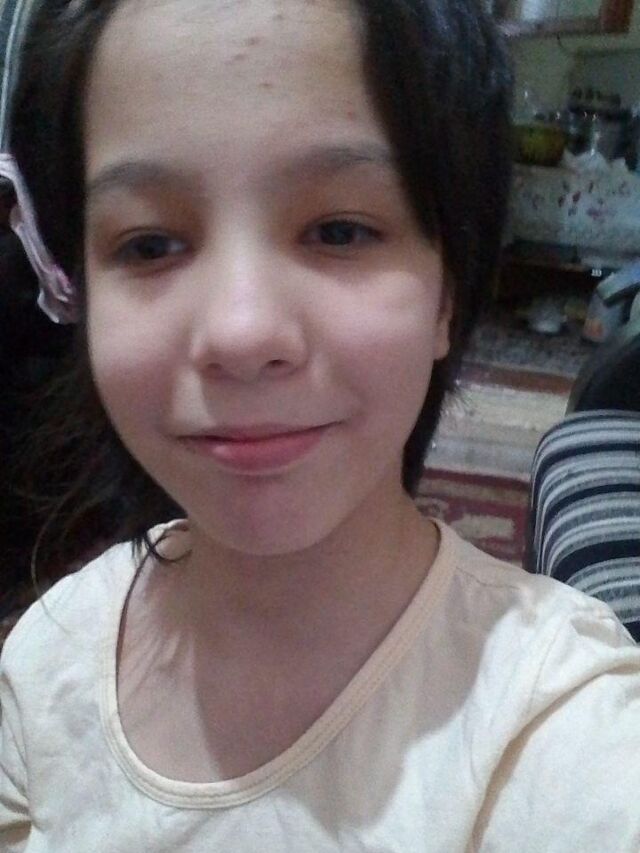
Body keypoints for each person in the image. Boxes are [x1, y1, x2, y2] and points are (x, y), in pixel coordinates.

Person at [0, 0, 639, 850]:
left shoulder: (562, 734)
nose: (241, 332)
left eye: (339, 230)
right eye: (149, 245)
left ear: (447, 293)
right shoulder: (49, 659)